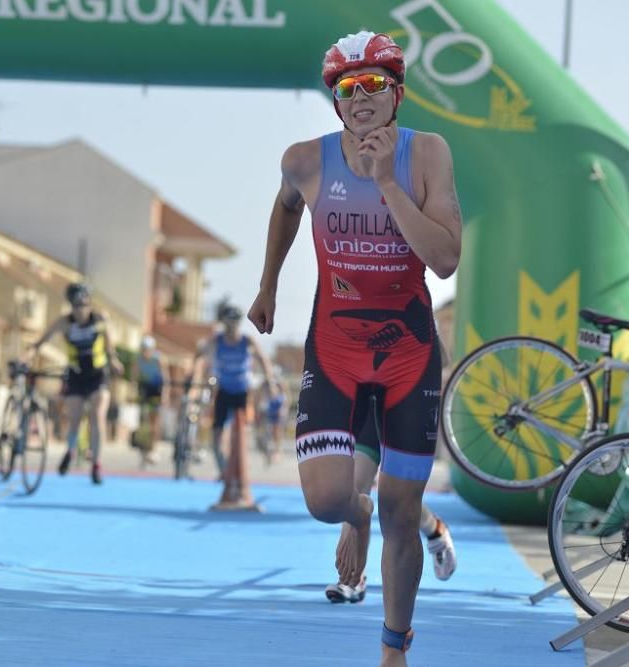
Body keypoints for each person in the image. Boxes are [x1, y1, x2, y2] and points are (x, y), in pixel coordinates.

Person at [247, 31, 463, 664]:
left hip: (409, 353)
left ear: (396, 93)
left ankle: (394, 648)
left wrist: (384, 184)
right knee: (326, 502)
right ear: (335, 101)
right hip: (336, 349)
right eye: (348, 88)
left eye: (374, 85)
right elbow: (286, 208)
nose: (361, 97)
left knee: (404, 511)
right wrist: (267, 285)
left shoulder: (427, 154)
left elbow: (446, 260)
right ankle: (355, 513)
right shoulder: (305, 161)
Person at [325, 400, 457, 603]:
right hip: (368, 396)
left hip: (403, 397)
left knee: (398, 498)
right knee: (354, 486)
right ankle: (353, 576)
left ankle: (434, 528)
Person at [29, 282, 122, 485]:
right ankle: (70, 452)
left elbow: (109, 343)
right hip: (76, 375)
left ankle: (96, 464)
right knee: (75, 420)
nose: (81, 309)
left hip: (98, 375)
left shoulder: (100, 319)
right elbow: (41, 340)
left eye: (84, 304)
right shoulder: (64, 322)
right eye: (76, 305)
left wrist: (114, 360)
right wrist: (29, 353)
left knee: (97, 417)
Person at [191, 304, 278, 511]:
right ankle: (225, 472)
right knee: (216, 436)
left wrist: (270, 383)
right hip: (223, 391)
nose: (231, 329)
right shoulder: (216, 341)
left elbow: (264, 360)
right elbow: (200, 355)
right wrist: (194, 377)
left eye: (235, 325)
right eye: (228, 325)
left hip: (241, 392)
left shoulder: (247, 341)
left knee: (241, 432)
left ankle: (257, 451)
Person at [133, 334, 167, 467]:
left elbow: (165, 379)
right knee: (143, 420)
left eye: (147, 348)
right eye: (143, 349)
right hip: (145, 389)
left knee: (154, 421)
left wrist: (164, 395)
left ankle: (154, 448)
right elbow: (134, 378)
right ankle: (143, 447)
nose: (145, 351)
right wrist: (133, 392)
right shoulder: (138, 359)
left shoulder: (158, 359)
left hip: (156, 390)